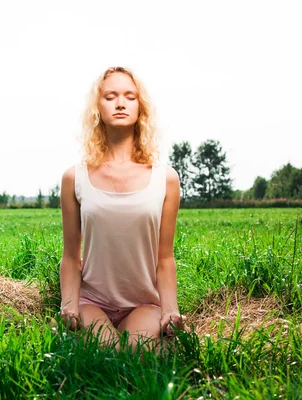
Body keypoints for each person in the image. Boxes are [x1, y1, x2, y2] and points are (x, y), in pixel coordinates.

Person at [59, 66, 185, 351]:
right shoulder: (73, 178)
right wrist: (69, 306)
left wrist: (170, 311)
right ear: (97, 107)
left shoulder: (166, 178)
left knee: (135, 358)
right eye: (110, 96)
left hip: (143, 303)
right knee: (107, 358)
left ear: (140, 108)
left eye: (129, 96)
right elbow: (70, 257)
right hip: (92, 303)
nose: (120, 103)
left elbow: (165, 259)